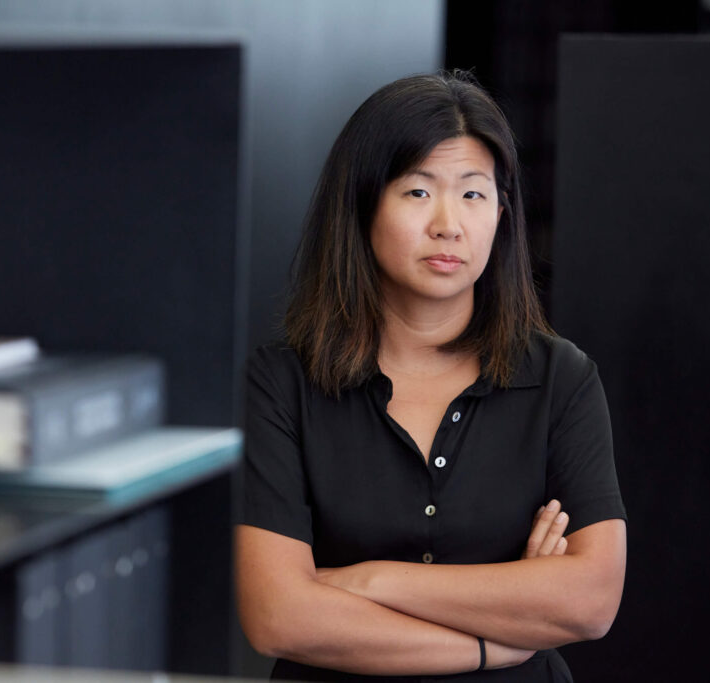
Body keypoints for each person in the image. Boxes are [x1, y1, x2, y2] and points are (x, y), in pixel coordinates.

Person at [235, 71, 627, 681]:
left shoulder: (560, 379)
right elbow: (278, 617)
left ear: (502, 212)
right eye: (418, 192)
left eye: (473, 194)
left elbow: (590, 601)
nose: (449, 224)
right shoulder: (282, 381)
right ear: (362, 204)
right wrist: (492, 638)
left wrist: (368, 580)